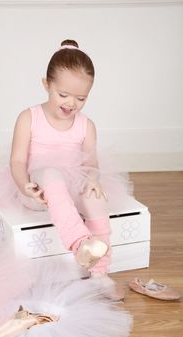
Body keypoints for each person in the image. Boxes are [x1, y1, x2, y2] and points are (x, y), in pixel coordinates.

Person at [9, 39, 126, 299]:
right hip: (40, 189)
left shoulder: (87, 125)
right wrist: (23, 185)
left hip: (72, 185)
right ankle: (80, 244)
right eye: (63, 94)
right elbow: (17, 162)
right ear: (46, 84)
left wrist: (93, 179)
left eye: (81, 98)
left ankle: (100, 273)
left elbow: (91, 164)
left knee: (94, 196)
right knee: (51, 173)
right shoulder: (29, 117)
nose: (71, 103)